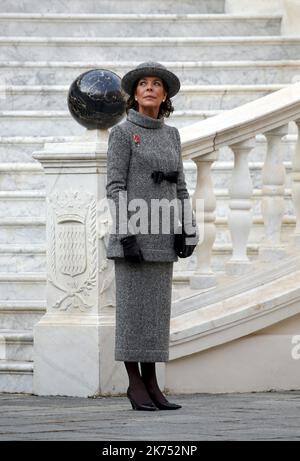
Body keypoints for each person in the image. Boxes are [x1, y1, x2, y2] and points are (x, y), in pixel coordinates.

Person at [105, 62, 198, 411]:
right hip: (133, 239)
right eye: (142, 84)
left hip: (162, 237)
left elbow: (181, 186)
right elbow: (114, 186)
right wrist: (126, 234)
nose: (149, 88)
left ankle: (153, 384)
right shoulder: (122, 133)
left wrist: (188, 228)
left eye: (156, 84)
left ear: (165, 95)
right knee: (132, 314)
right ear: (134, 94)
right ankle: (134, 384)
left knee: (155, 315)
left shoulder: (172, 135)